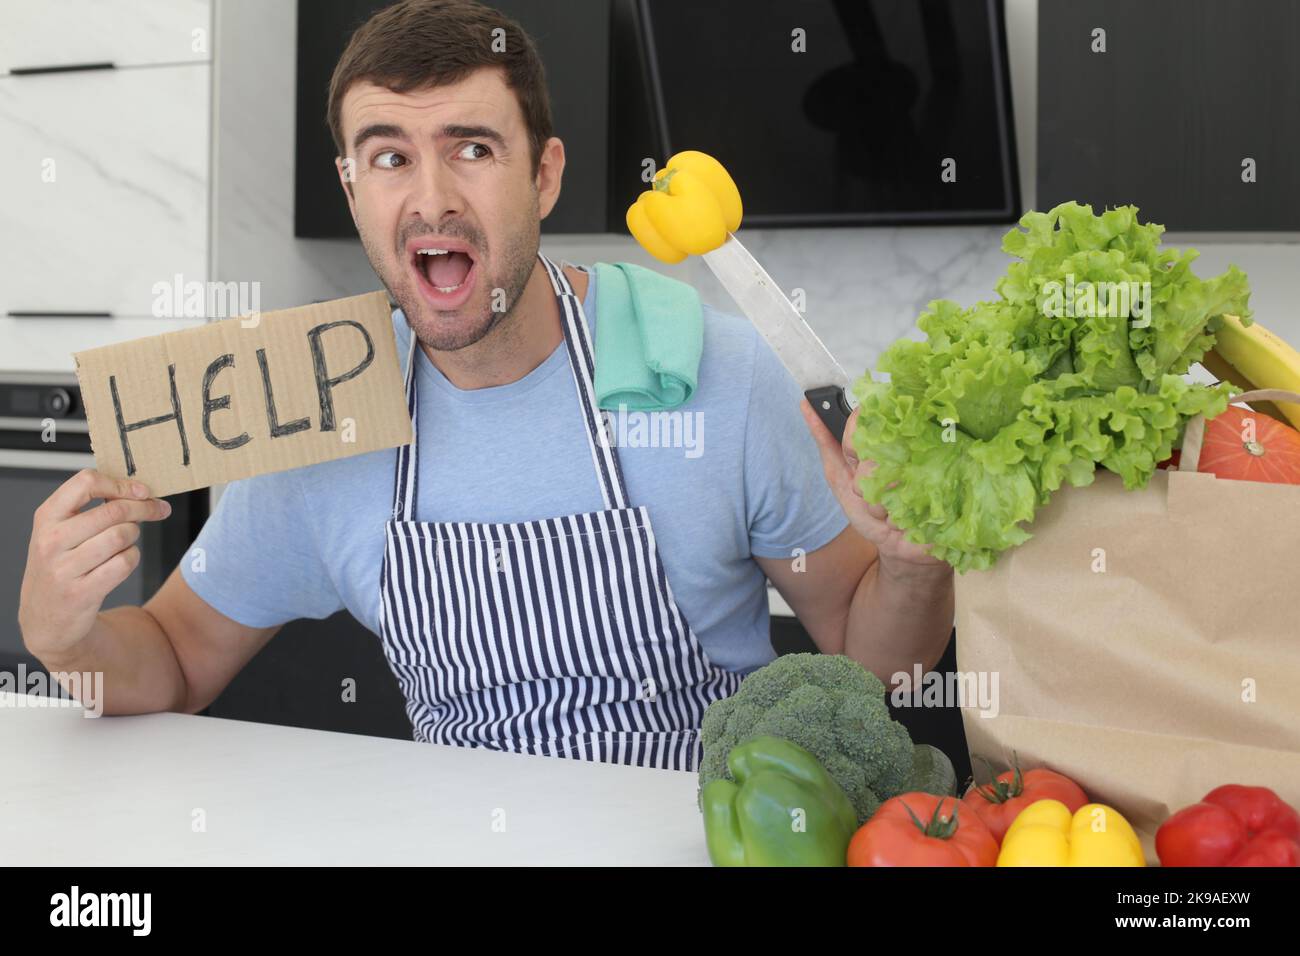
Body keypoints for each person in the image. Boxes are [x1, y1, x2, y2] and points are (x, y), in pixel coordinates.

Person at [18, 0, 953, 770]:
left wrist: (913, 567)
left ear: (544, 175)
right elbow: (175, 662)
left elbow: (878, 675)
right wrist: (65, 641)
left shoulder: (717, 373)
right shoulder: (321, 409)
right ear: (352, 190)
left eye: (472, 147)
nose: (431, 198)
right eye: (389, 157)